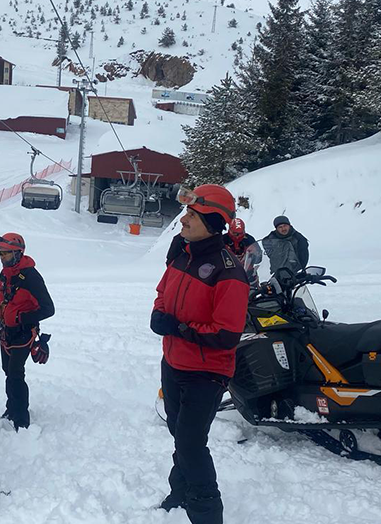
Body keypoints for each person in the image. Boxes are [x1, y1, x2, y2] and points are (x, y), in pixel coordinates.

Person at [151, 185, 249, 524]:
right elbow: (162, 291)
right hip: (173, 363)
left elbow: (226, 335)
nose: (183, 219)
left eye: (191, 215)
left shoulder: (229, 272)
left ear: (211, 220)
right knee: (179, 434)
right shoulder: (183, 253)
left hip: (206, 373)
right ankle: (181, 492)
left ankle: (207, 515)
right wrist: (159, 312)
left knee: (192, 444)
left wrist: (178, 328)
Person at [0, 233, 54, 431]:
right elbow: (4, 295)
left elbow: (48, 308)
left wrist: (20, 318)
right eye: (0, 254)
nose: (2, 258)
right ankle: (11, 409)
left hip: (24, 333)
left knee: (16, 373)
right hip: (6, 331)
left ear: (18, 254)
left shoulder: (31, 277)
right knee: (8, 371)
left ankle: (21, 418)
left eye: (6, 254)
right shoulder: (5, 274)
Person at [224, 218, 263, 289]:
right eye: (235, 233)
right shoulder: (223, 239)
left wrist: (255, 253)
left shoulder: (249, 239)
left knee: (254, 294)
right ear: (230, 230)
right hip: (228, 274)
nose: (237, 236)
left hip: (248, 274)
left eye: (240, 233)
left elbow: (259, 258)